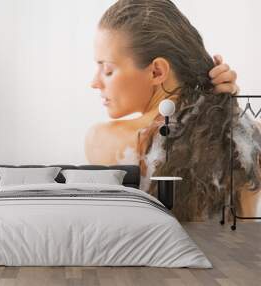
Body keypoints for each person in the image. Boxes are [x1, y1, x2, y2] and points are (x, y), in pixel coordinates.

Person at [85, 0, 261, 220]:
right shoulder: (250, 136)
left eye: (107, 69)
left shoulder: (103, 140)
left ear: (157, 71)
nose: (94, 82)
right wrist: (228, 109)